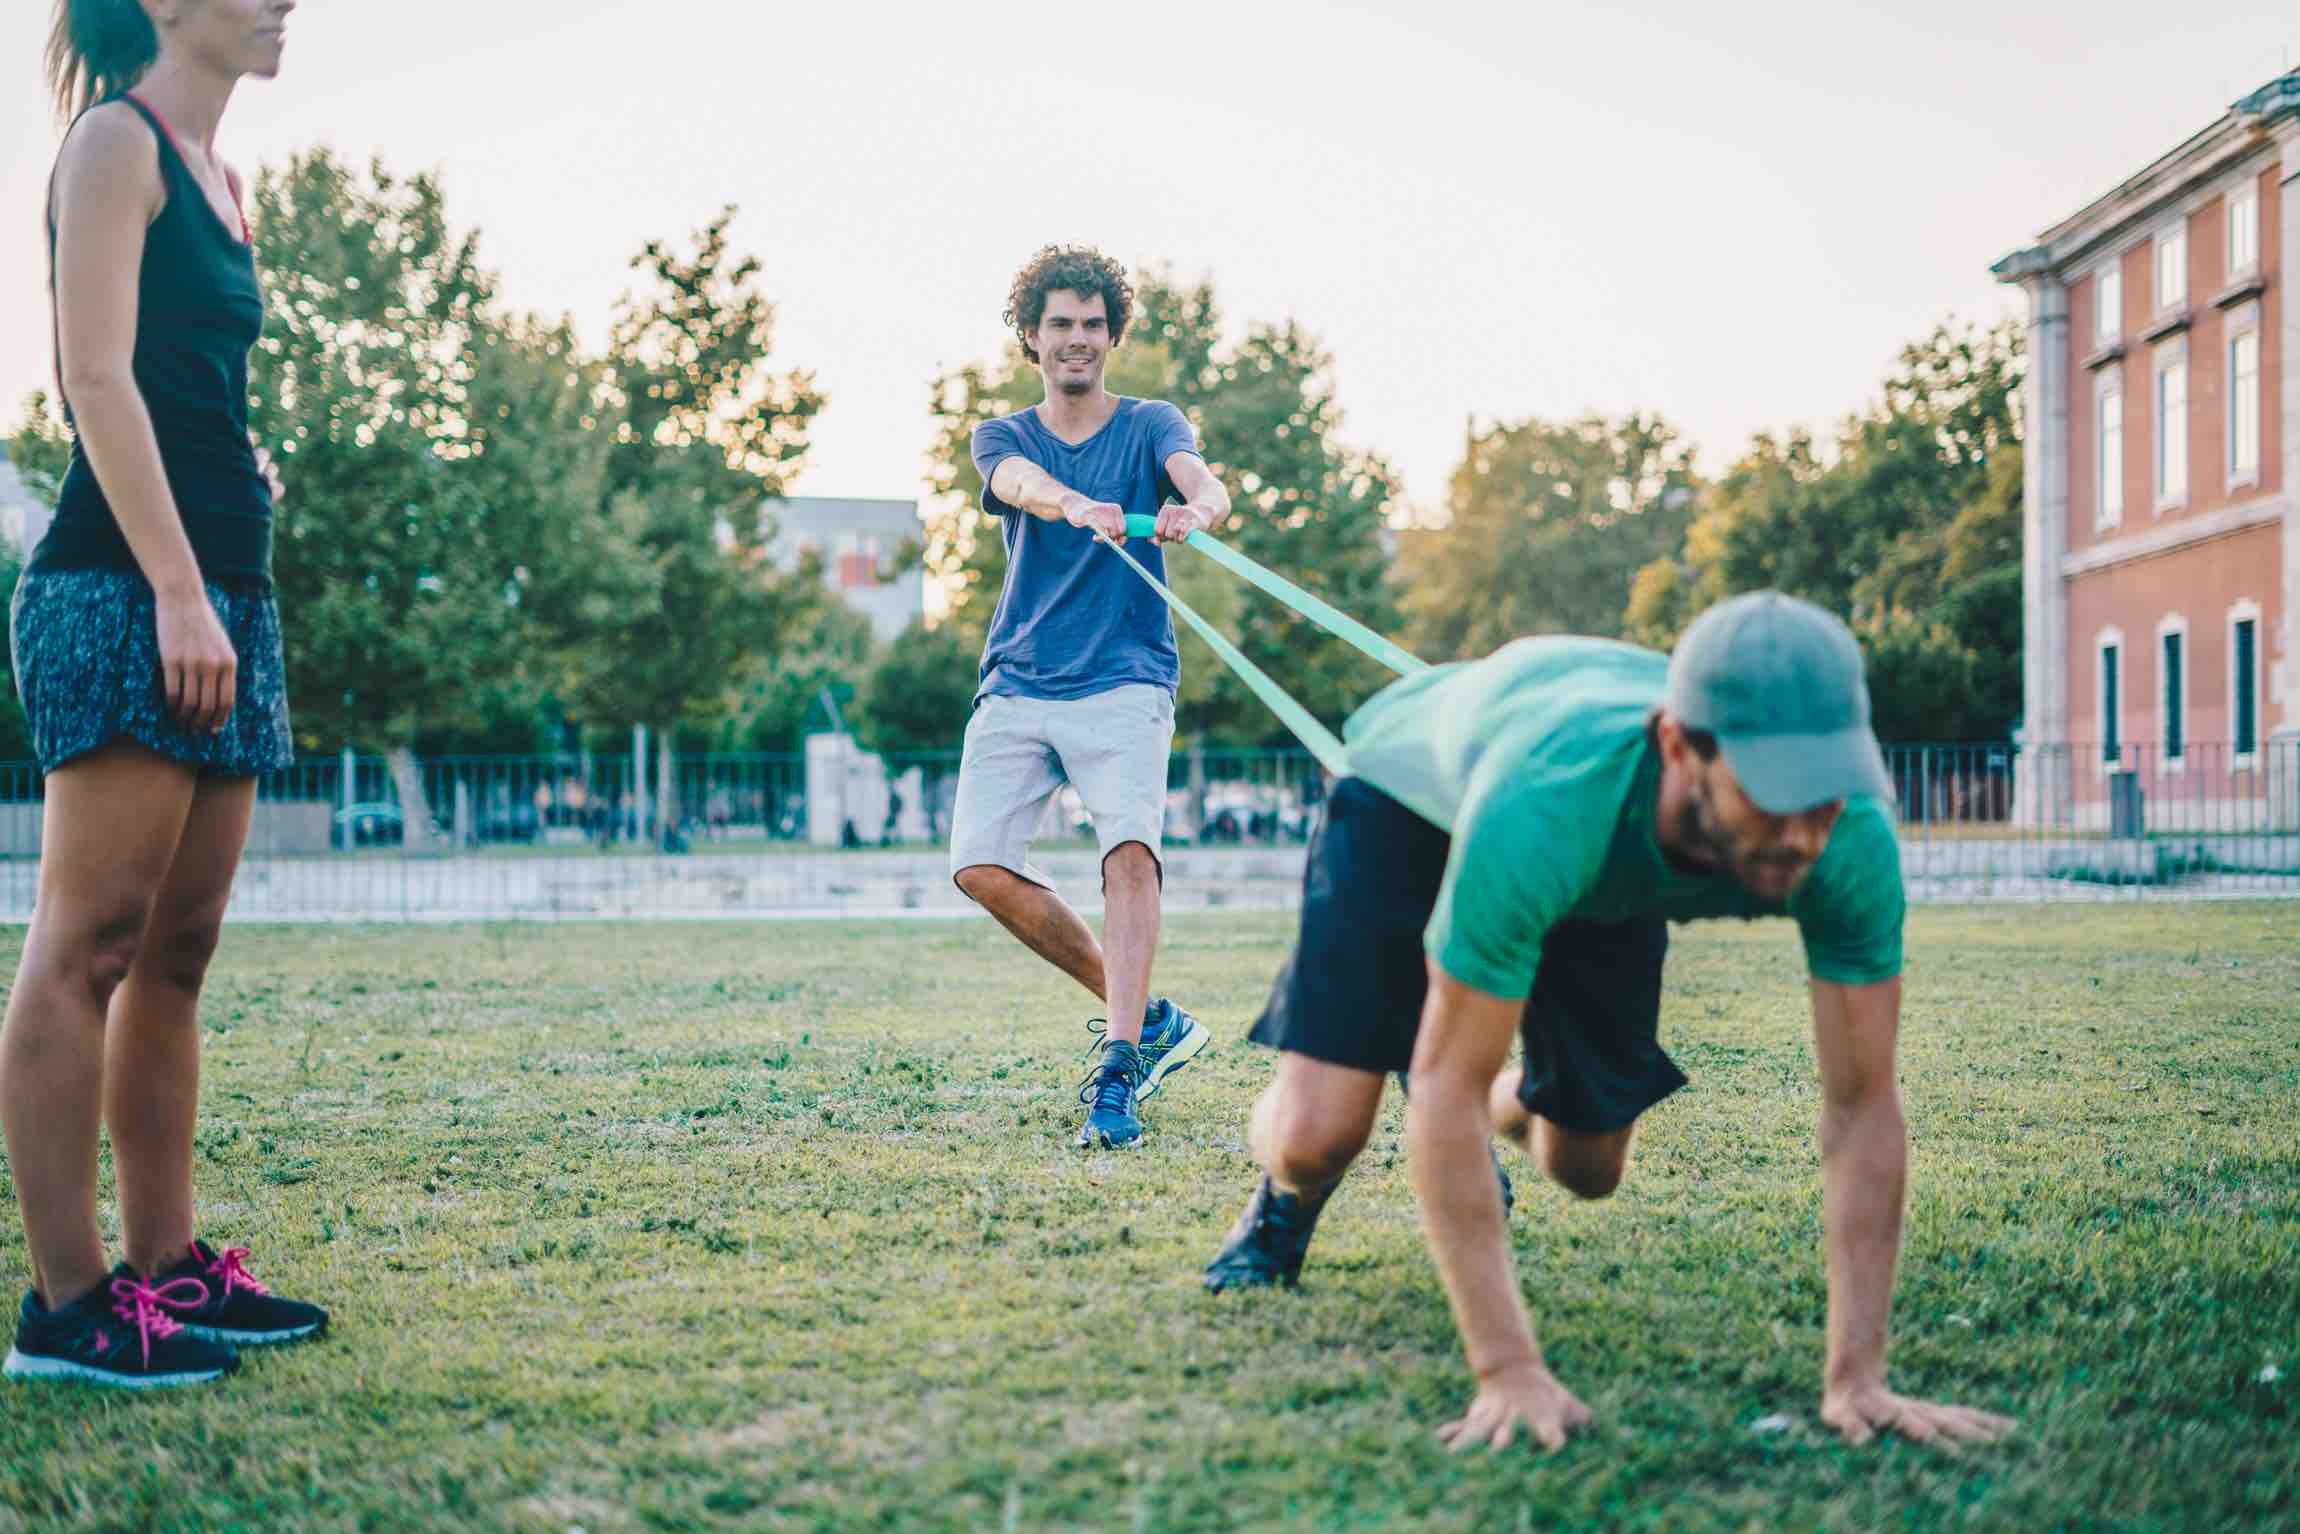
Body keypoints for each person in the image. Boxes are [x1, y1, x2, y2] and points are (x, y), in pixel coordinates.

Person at [1206, 593, 2016, 1453]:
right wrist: (1506, 1369)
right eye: (1772, 798)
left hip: (1596, 856)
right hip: (1415, 798)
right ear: (1678, 747)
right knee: (1320, 1135)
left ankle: (1486, 1102)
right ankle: (1282, 1200)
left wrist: (1860, 1377)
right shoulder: (1549, 801)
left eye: (1821, 799)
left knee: (1588, 1164)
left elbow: (1861, 1104)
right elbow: (1443, 1086)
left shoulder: (1846, 834)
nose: (1802, 835)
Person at [3, 0, 327, 1390]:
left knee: (178, 951)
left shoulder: (223, 179)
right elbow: (92, 376)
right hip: (122, 591)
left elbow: (185, 380)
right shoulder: (111, 147)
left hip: (223, 593)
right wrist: (180, 590)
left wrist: (243, 473)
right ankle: (68, 1307)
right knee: (89, 941)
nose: (284, 0)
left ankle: (166, 1264)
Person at [949, 245, 1229, 1150]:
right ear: (1031, 337)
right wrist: (1072, 502)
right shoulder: (1005, 436)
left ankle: (1118, 1072)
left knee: (1129, 854)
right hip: (1019, 678)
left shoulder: (1151, 423)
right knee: (979, 865)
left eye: (1093, 325)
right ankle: (1147, 1016)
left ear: (1114, 335)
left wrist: (1199, 508)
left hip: (1127, 676)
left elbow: (1199, 477)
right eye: (1060, 325)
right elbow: (1016, 487)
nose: (1078, 340)